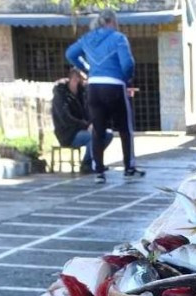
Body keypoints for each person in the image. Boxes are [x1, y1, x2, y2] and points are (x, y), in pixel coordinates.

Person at [65, 9, 143, 183]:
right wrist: (125, 77)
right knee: (124, 129)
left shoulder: (87, 38)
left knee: (98, 130)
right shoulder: (118, 38)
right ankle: (128, 168)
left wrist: (86, 68)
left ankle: (99, 171)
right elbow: (128, 63)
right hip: (114, 86)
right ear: (113, 21)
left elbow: (70, 54)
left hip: (94, 87)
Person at [50, 67, 112, 173]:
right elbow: (66, 118)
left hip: (81, 129)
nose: (84, 83)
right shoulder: (60, 96)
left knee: (108, 134)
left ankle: (95, 161)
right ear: (74, 79)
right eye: (82, 80)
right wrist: (86, 125)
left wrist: (94, 123)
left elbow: (89, 112)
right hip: (68, 133)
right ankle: (87, 164)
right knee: (94, 136)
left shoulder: (82, 94)